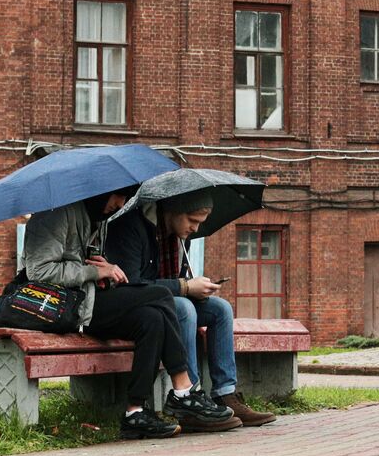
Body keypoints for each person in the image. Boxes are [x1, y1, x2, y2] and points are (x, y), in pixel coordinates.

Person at [22, 186, 239, 439]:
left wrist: (104, 265)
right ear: (101, 192)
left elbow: (89, 263)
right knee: (160, 295)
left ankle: (135, 412)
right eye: (118, 196)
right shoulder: (53, 215)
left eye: (125, 197)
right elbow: (38, 273)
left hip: (89, 300)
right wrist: (94, 272)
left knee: (152, 318)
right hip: (61, 307)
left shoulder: (97, 217)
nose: (120, 203)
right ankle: (183, 390)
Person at [103, 191, 277, 427]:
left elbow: (178, 280)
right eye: (192, 221)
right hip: (141, 304)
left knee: (220, 309)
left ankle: (225, 394)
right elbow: (132, 283)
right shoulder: (133, 226)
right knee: (185, 308)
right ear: (173, 211)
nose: (195, 229)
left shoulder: (179, 236)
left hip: (167, 299)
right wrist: (185, 287)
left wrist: (198, 288)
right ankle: (189, 397)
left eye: (200, 223)